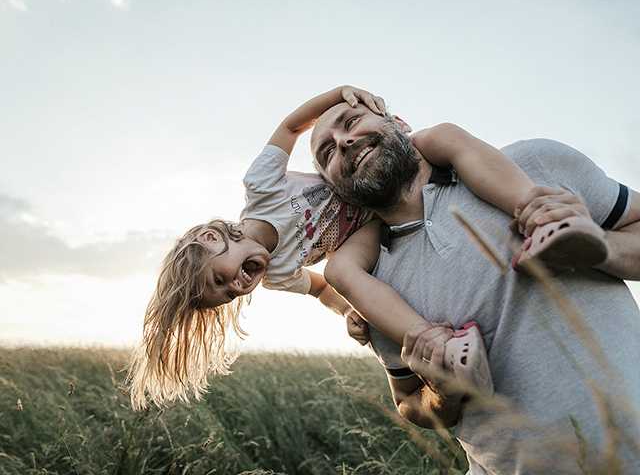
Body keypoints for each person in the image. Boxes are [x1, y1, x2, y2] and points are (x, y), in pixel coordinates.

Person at [126, 85, 604, 414]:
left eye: (220, 278)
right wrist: (351, 314)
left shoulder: (261, 187)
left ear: (212, 239)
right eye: (230, 295)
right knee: (341, 273)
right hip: (368, 220)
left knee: (442, 135)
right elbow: (319, 288)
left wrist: (339, 95)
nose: (239, 285)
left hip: (372, 186)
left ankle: (541, 215)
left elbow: (291, 124)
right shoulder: (277, 273)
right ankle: (438, 349)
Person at [311, 101, 640, 473]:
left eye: (351, 121)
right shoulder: (369, 285)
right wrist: (442, 393)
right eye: (328, 152)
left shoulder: (534, 164)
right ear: (336, 187)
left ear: (398, 123)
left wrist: (601, 246)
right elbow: (407, 401)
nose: (343, 142)